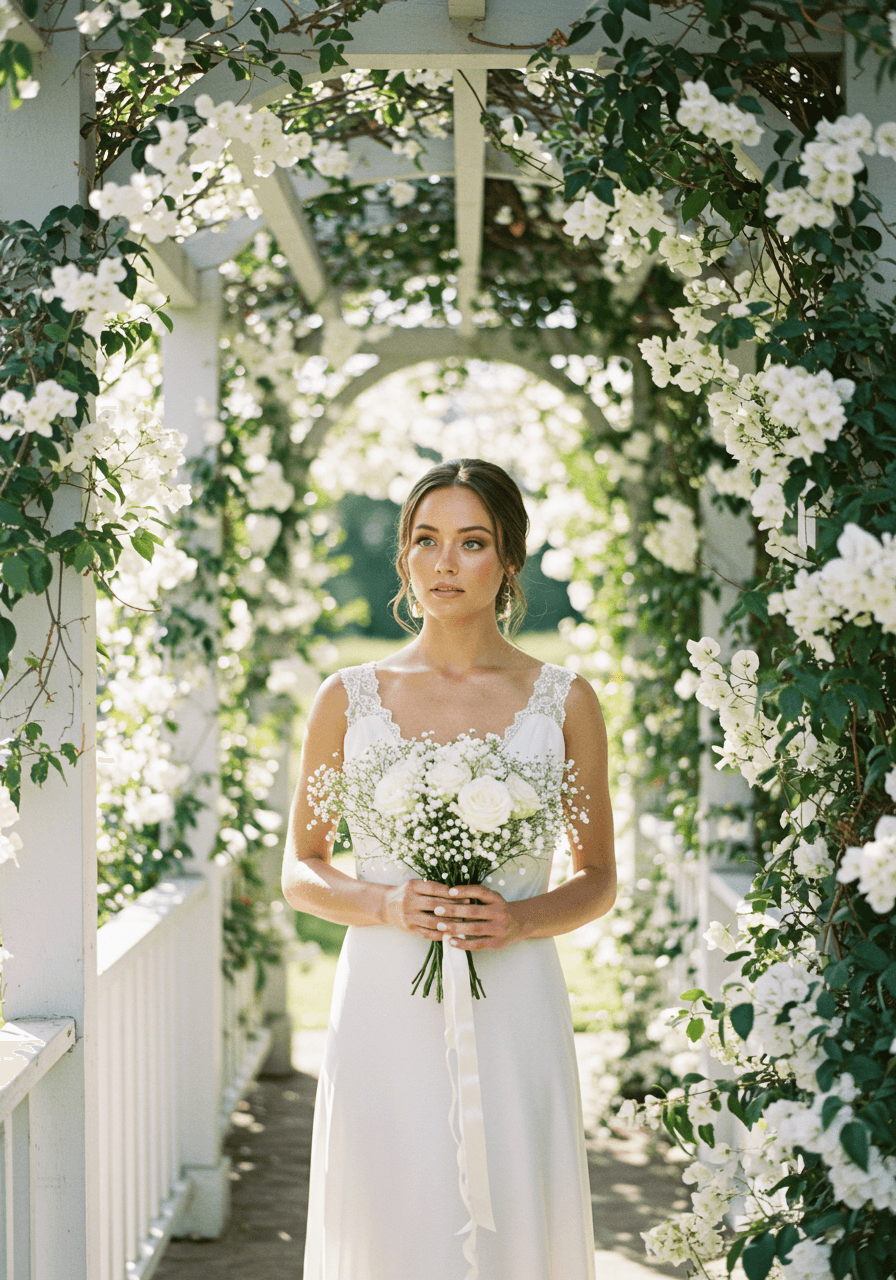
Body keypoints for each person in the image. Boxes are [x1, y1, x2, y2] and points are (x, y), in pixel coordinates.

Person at [282, 458, 617, 1280]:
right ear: (403, 558)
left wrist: (518, 918)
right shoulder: (349, 697)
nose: (444, 563)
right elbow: (301, 867)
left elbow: (598, 874)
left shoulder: (563, 700)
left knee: (514, 1201)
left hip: (516, 996)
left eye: (472, 543)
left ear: (510, 560)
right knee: (395, 1202)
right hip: (384, 996)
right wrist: (388, 904)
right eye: (426, 541)